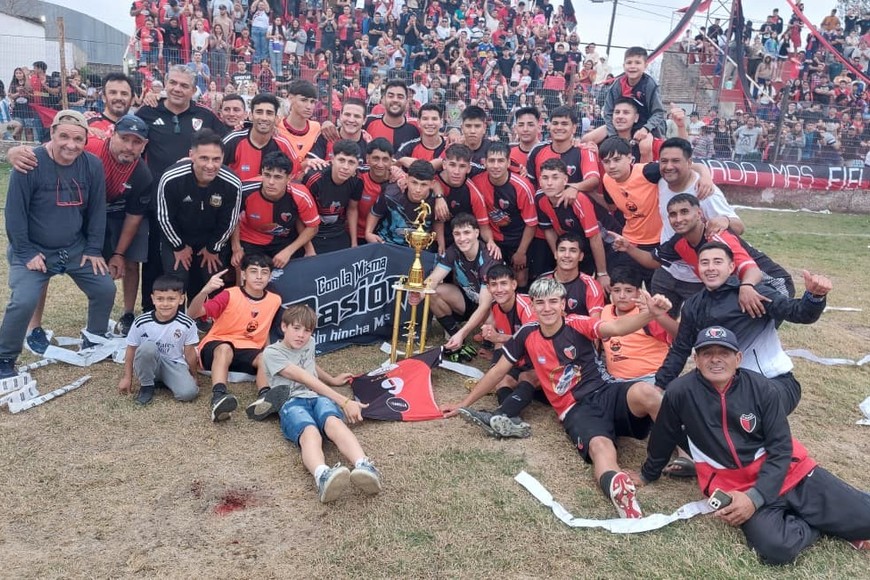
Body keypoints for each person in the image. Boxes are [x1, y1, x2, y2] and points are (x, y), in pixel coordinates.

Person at [637, 325, 870, 565]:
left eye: (724, 353)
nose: (715, 359)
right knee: (775, 549)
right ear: (695, 358)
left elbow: (781, 449)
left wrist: (757, 498)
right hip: (737, 487)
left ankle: (826, 513)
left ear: (738, 358)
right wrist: (647, 475)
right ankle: (821, 523)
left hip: (792, 474)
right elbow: (664, 434)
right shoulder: (680, 392)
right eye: (707, 353)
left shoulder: (763, 388)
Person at [441, 277, 672, 519]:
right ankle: (619, 489)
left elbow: (615, 328)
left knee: (648, 393)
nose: (547, 308)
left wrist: (651, 314)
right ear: (532, 306)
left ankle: (669, 460)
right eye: (540, 303)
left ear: (563, 304)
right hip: (575, 409)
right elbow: (497, 371)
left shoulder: (577, 323)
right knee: (600, 447)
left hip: (606, 391)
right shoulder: (526, 334)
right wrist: (462, 405)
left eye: (553, 301)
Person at [0, 110, 116, 377]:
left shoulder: (92, 165)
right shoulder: (30, 162)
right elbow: (14, 212)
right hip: (33, 249)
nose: (70, 145)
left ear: (86, 140)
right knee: (23, 300)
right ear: (51, 133)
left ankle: (95, 337)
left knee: (104, 287)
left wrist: (93, 248)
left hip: (74, 247)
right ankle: (5, 357)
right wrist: (26, 251)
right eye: (63, 136)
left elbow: (97, 209)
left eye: (78, 139)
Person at [654, 242, 830, 415]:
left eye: (717, 262)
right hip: (720, 384)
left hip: (772, 381)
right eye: (704, 262)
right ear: (697, 268)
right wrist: (659, 385)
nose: (710, 268)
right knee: (678, 398)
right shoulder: (693, 305)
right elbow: (680, 349)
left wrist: (815, 296)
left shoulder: (753, 292)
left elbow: (799, 313)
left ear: (731, 267)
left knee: (739, 411)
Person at [256, 304, 382, 503]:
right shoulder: (271, 353)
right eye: (296, 328)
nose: (301, 335)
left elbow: (310, 363)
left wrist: (331, 379)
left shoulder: (309, 342)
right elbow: (304, 377)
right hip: (291, 402)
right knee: (310, 432)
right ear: (283, 327)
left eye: (307, 331)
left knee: (334, 422)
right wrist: (344, 400)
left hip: (316, 397)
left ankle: (364, 465)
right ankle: (322, 475)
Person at [135, 65, 226, 313]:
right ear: (164, 84)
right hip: (158, 201)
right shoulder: (148, 111)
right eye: (173, 82)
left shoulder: (206, 116)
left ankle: (194, 311)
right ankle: (150, 309)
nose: (177, 88)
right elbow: (127, 137)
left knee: (191, 257)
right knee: (155, 258)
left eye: (184, 85)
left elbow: (225, 142)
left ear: (194, 90)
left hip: (196, 201)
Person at [615, 194, 793, 304]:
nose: (678, 219)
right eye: (673, 214)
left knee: (750, 335)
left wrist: (746, 286)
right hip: (741, 287)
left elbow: (753, 271)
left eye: (684, 212)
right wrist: (628, 247)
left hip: (771, 283)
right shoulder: (678, 242)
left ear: (699, 213)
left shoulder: (716, 236)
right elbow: (653, 261)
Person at [188, 254, 282, 422]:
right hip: (217, 346)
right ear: (244, 274)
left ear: (270, 276)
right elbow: (192, 313)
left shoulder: (275, 300)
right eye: (253, 271)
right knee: (225, 349)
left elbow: (265, 326)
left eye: (264, 272)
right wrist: (205, 291)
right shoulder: (229, 294)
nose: (259, 276)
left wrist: (268, 350)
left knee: (266, 357)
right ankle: (218, 397)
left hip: (248, 350)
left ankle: (265, 398)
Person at [156, 129, 242, 305]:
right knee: (177, 279)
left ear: (223, 158)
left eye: (216, 159)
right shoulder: (171, 178)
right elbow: (164, 217)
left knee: (214, 277)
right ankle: (176, 323)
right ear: (191, 155)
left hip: (211, 239)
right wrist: (178, 246)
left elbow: (230, 221)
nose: (210, 165)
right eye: (204, 158)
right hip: (177, 237)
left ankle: (206, 320)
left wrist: (213, 248)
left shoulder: (232, 183)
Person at [456, 263, 539, 438]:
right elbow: (499, 336)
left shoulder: (525, 305)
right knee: (503, 381)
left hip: (544, 362)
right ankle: (511, 419)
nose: (499, 289)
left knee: (527, 376)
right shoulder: (495, 307)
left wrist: (498, 338)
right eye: (494, 285)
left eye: (503, 283)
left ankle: (499, 415)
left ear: (514, 285)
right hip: (523, 360)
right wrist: (488, 336)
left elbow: (535, 342)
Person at [424, 213, 504, 362]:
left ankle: (487, 343)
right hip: (468, 300)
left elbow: (484, 305)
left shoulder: (488, 259)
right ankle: (455, 339)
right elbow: (434, 279)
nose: (462, 238)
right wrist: (418, 294)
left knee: (491, 315)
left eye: (466, 232)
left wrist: (463, 333)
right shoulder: (453, 250)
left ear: (476, 233)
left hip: (490, 308)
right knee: (431, 292)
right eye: (457, 234)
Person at [118, 274, 199, 405]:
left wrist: (194, 375)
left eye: (171, 299)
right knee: (148, 347)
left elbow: (190, 352)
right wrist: (127, 378)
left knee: (188, 393)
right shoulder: (141, 321)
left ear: (181, 299)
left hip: (174, 363)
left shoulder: (187, 324)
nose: (165, 304)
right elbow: (131, 349)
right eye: (160, 299)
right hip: (150, 362)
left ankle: (166, 380)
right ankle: (147, 386)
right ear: (153, 299)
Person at [232, 151, 320, 269]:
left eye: (278, 177)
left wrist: (288, 251)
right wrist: (236, 248)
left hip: (285, 240)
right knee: (245, 270)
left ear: (289, 178)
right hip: (251, 238)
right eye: (267, 175)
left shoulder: (301, 195)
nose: (271, 182)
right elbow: (232, 218)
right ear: (261, 173)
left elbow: (313, 227)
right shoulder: (244, 190)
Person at [472, 142, 538, 288]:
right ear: (485, 162)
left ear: (508, 162)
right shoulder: (476, 183)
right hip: (492, 240)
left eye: (501, 161)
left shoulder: (522, 186)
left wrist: (521, 252)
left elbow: (531, 224)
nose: (496, 165)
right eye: (492, 161)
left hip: (518, 241)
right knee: (491, 279)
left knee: (520, 279)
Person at [534, 158, 608, 281]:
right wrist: (559, 259)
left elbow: (595, 237)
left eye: (555, 177)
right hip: (576, 247)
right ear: (540, 181)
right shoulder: (540, 198)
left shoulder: (577, 199)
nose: (549, 183)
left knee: (605, 284)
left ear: (565, 180)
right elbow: (549, 230)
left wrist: (602, 273)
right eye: (545, 178)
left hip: (605, 243)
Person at [600, 267, 677, 383]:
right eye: (616, 290)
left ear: (638, 292)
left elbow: (679, 335)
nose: (622, 296)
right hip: (615, 381)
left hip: (651, 378)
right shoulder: (605, 311)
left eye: (628, 290)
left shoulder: (648, 313)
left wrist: (657, 315)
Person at [302, 139, 364, 254]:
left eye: (351, 162)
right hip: (312, 232)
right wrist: (308, 248)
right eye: (341, 160)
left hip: (337, 231)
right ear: (332, 159)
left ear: (357, 165)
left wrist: (354, 243)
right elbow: (300, 216)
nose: (345, 167)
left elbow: (352, 209)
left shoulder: (357, 180)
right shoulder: (314, 179)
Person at [365, 160, 442, 246]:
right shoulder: (390, 194)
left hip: (419, 248)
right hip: (387, 243)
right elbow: (375, 213)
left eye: (423, 185)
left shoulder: (437, 201)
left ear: (432, 184)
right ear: (406, 178)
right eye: (414, 182)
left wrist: (440, 244)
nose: (418, 189)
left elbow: (438, 221)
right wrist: (368, 233)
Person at [222, 93, 295, 181]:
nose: (264, 118)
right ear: (251, 116)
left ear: (276, 119)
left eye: (269, 113)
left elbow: (295, 175)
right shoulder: (232, 141)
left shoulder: (283, 144)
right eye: (259, 112)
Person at [540, 233, 606, 318]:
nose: (567, 255)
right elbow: (533, 318)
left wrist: (564, 321)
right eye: (562, 250)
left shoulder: (591, 286)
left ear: (581, 256)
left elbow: (595, 324)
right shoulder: (541, 281)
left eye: (573, 250)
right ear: (555, 254)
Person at [360, 80, 420, 149]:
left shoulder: (417, 127)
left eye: (400, 97)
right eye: (391, 96)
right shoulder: (367, 122)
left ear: (407, 101)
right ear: (384, 99)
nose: (395, 100)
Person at [276, 79, 322, 166]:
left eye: (312, 102)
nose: (309, 106)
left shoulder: (317, 128)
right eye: (304, 100)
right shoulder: (276, 127)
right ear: (290, 98)